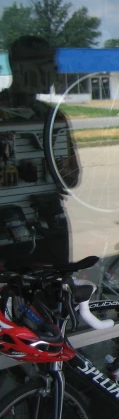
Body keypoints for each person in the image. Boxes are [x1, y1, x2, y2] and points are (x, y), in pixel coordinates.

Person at [0, 36, 78, 269]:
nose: (55, 71)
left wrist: (60, 167)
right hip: (6, 228)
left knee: (54, 297)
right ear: (22, 67)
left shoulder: (54, 117)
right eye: (47, 64)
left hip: (49, 224)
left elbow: (72, 179)